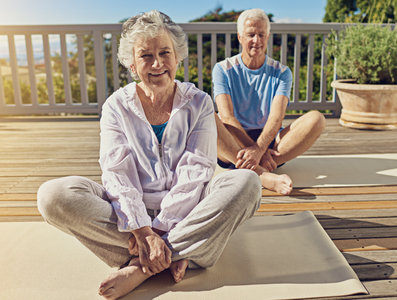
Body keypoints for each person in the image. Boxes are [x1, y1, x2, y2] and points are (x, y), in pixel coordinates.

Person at [37, 10, 260, 300]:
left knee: (247, 184)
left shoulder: (200, 103)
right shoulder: (116, 106)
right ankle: (184, 254)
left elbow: (196, 173)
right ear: (131, 64)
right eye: (145, 56)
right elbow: (117, 174)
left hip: (190, 210)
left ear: (177, 56)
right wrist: (143, 232)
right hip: (129, 216)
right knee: (52, 196)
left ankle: (142, 268)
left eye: (165, 53)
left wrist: (159, 233)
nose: (157, 64)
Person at [212, 8, 325, 195]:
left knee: (317, 119)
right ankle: (261, 174)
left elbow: (276, 118)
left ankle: (251, 167)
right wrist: (256, 151)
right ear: (240, 37)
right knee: (209, 117)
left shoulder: (282, 72)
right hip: (234, 142)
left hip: (269, 144)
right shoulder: (222, 69)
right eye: (251, 35)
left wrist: (260, 149)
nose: (256, 40)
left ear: (268, 36)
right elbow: (228, 117)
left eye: (261, 34)